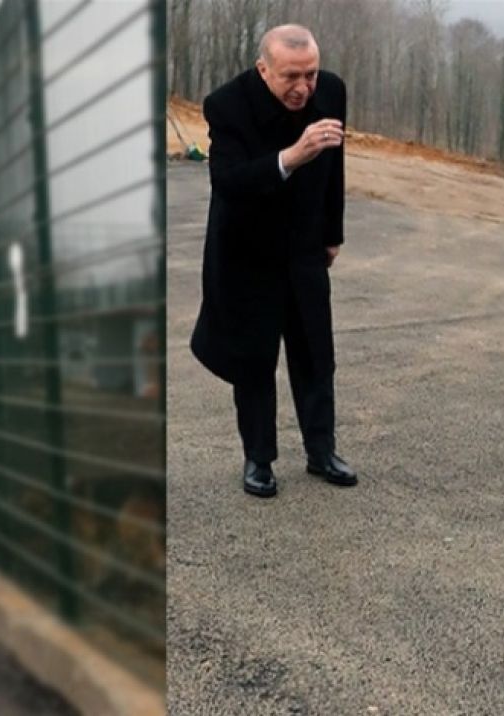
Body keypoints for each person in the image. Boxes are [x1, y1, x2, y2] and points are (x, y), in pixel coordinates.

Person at [191, 24, 356, 498]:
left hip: (304, 248)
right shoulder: (227, 105)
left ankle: (321, 451)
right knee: (255, 360)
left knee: (316, 355)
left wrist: (332, 233)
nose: (304, 87)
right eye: (291, 77)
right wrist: (291, 157)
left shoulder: (332, 92)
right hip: (248, 250)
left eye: (311, 74)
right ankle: (258, 460)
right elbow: (228, 182)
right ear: (263, 69)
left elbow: (334, 167)